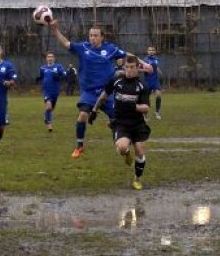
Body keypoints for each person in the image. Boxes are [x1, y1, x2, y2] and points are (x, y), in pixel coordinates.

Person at [46, 18, 134, 158]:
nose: (93, 38)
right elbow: (66, 43)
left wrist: (144, 64)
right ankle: (79, 147)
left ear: (102, 37)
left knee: (116, 120)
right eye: (91, 35)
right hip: (89, 93)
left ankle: (119, 142)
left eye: (96, 35)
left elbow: (128, 55)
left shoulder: (110, 49)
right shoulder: (83, 48)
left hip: (107, 92)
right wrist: (55, 30)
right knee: (82, 117)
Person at [92, 54, 151, 190]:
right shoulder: (116, 80)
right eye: (127, 67)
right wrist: (95, 110)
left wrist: (133, 107)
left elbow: (146, 108)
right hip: (121, 122)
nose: (129, 70)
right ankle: (126, 153)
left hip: (137, 123)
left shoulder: (142, 85)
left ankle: (137, 179)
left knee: (140, 150)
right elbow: (103, 96)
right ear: (123, 67)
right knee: (122, 148)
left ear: (137, 68)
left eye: (132, 67)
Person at [36, 52, 67, 132]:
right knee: (49, 106)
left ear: (54, 58)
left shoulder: (58, 66)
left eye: (52, 57)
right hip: (46, 91)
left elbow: (64, 74)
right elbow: (41, 76)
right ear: (46, 58)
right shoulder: (43, 68)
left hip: (55, 91)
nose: (50, 58)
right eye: (48, 57)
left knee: (51, 108)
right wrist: (40, 81)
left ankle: (46, 116)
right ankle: (49, 125)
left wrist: (59, 75)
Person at [143, 45, 163, 120]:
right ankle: (145, 115)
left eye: (152, 50)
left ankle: (157, 112)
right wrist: (146, 69)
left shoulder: (156, 59)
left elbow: (155, 66)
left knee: (158, 95)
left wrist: (159, 70)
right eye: (149, 50)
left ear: (155, 52)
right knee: (146, 98)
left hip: (155, 81)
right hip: (148, 81)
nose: (151, 51)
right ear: (147, 52)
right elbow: (143, 68)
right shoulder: (145, 60)